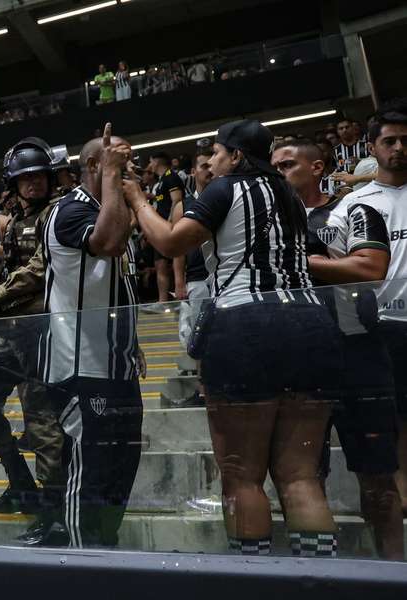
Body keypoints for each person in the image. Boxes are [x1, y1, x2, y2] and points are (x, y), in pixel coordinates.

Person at [124, 118, 343, 557]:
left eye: (217, 156)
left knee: (242, 474)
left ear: (237, 156)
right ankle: (320, 582)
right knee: (300, 475)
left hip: (246, 324)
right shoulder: (291, 198)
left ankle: (254, 578)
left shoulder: (225, 189)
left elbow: (169, 242)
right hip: (311, 324)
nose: (211, 165)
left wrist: (135, 198)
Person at [271, 139, 402, 560]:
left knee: (379, 480)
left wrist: (297, 260)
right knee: (304, 478)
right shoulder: (263, 223)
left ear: (317, 167)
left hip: (357, 355)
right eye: (274, 166)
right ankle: (318, 576)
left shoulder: (353, 209)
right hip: (296, 363)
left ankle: (395, 572)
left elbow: (368, 269)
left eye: (288, 165)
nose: (279, 173)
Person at [42, 124, 141, 548]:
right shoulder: (70, 210)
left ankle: (107, 553)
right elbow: (107, 242)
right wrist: (116, 180)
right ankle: (84, 568)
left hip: (118, 364)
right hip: (80, 364)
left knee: (122, 468)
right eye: (118, 159)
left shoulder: (117, 207)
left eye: (129, 159)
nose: (128, 166)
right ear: (93, 165)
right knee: (92, 472)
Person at [0, 138, 66, 546]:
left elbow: (38, 269)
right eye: (24, 179)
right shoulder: (15, 219)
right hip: (10, 333)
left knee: (43, 424)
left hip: (38, 334)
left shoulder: (57, 214)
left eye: (38, 177)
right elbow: (12, 270)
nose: (32, 184)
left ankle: (56, 516)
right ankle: (21, 485)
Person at [332, 101, 407, 517]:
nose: (398, 148)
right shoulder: (354, 203)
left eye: (405, 140)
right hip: (383, 325)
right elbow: (336, 260)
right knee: (394, 415)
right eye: (389, 141)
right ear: (372, 147)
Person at [172, 147, 213, 406]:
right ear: (193, 171)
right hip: (197, 278)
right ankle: (203, 389)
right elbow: (176, 248)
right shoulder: (183, 206)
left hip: (228, 276)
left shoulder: (229, 197)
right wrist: (179, 281)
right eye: (203, 166)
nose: (208, 170)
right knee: (200, 335)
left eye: (212, 165)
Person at [146, 151, 185, 307]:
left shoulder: (171, 176)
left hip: (171, 226)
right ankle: (162, 301)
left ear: (156, 162)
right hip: (160, 228)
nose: (149, 165)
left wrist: (170, 221)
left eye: (150, 161)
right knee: (160, 263)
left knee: (177, 259)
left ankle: (180, 293)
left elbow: (177, 200)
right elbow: (163, 202)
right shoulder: (161, 181)